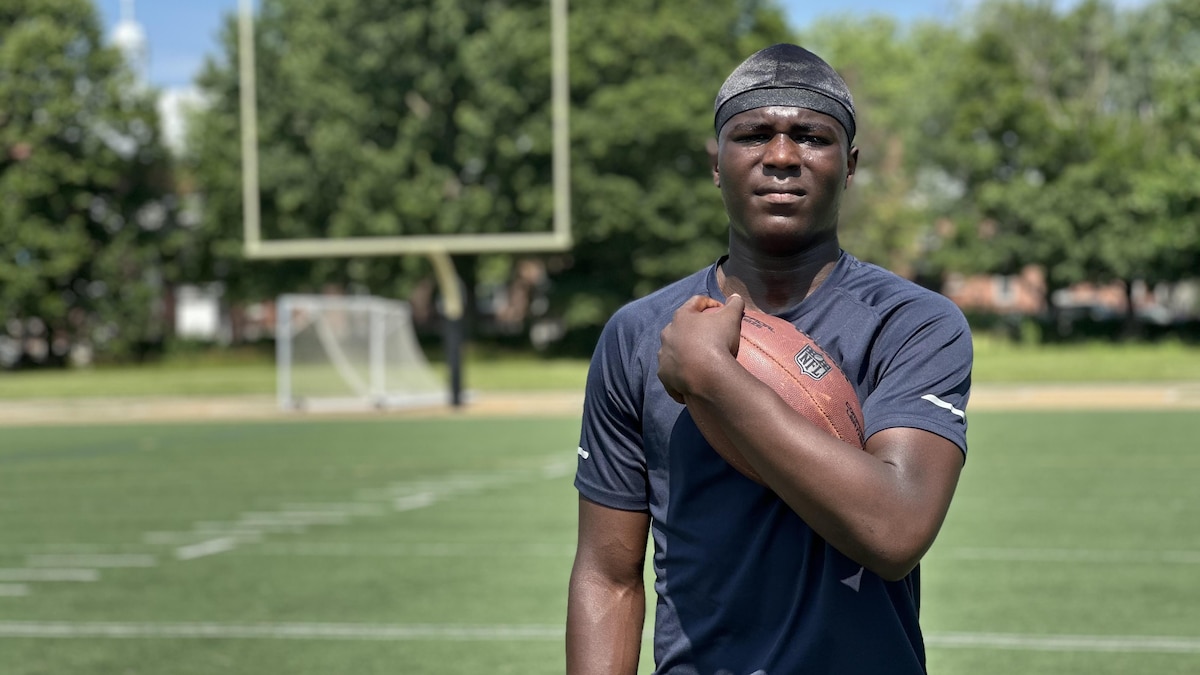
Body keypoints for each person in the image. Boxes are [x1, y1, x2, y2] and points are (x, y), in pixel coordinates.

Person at [566, 43, 972, 674]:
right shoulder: (638, 334)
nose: (781, 157)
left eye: (811, 137)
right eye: (753, 134)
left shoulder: (912, 322)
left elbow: (896, 531)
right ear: (716, 163)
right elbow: (607, 576)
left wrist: (715, 381)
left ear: (852, 163)